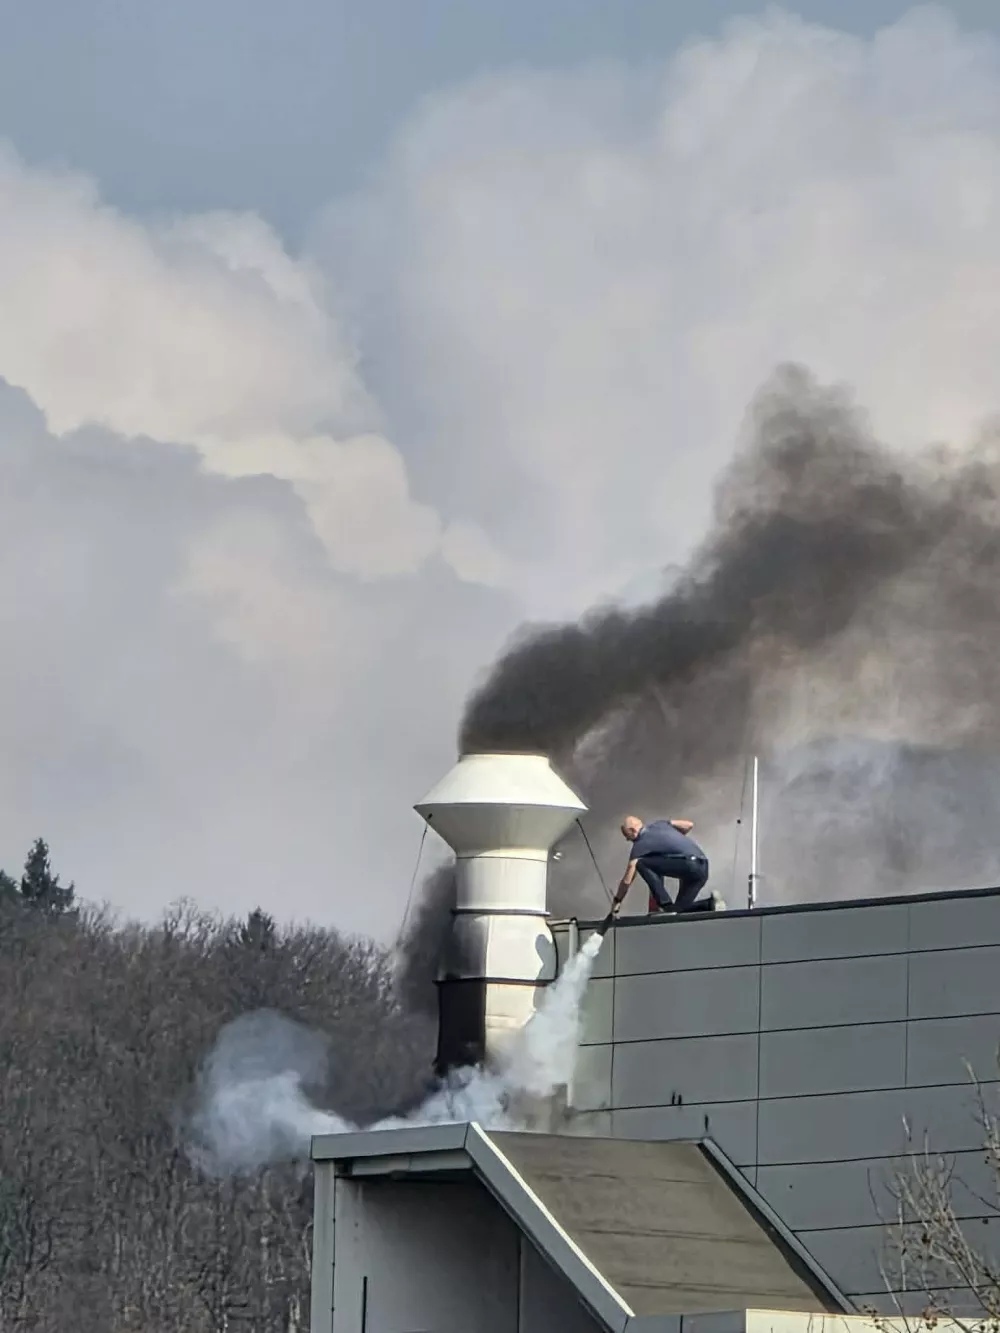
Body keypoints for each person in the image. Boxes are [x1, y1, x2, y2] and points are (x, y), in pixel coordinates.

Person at [611, 814, 724, 916]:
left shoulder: (640, 845)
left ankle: (664, 904)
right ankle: (710, 904)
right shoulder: (661, 824)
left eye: (627, 836)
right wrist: (671, 838)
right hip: (703, 867)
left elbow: (627, 880)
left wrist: (617, 901)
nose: (627, 839)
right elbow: (689, 825)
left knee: (642, 863)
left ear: (633, 830)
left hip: (689, 865)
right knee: (676, 912)